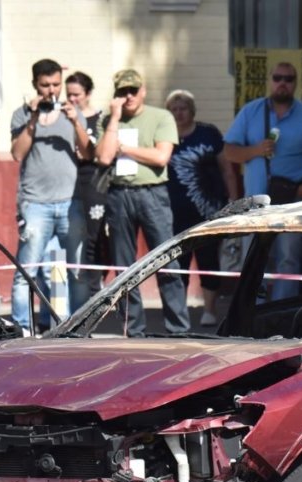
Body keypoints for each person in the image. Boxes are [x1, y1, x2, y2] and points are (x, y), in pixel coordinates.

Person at [223, 62, 302, 300]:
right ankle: (253, 309)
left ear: (295, 83)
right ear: (270, 81)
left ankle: (282, 310)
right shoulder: (251, 112)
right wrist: (256, 150)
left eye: (288, 78)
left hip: (291, 201)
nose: (282, 83)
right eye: (277, 78)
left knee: (288, 258)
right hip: (255, 203)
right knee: (254, 257)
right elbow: (230, 152)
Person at [96, 68, 191, 337]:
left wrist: (124, 148)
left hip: (152, 194)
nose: (128, 96)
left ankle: (178, 330)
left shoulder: (161, 117)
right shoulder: (109, 119)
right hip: (119, 193)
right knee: (124, 266)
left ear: (143, 91)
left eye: (133, 90)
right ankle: (133, 329)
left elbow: (161, 157)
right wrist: (115, 118)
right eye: (123, 91)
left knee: (166, 260)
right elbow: (104, 157)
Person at [9, 59, 92, 331]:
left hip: (70, 203)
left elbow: (87, 153)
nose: (52, 90)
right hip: (35, 204)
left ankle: (77, 328)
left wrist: (75, 121)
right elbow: (17, 153)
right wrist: (33, 119)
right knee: (27, 272)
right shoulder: (22, 114)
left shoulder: (72, 113)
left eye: (56, 84)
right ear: (35, 84)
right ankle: (21, 330)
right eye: (45, 85)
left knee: (76, 271)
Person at [165, 89, 238, 327]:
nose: (179, 113)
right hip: (172, 210)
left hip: (208, 210)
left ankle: (209, 309)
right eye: (174, 109)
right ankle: (179, 312)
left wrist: (233, 199)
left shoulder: (208, 133)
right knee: (178, 262)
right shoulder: (163, 135)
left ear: (192, 110)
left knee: (208, 259)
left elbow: (226, 169)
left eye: (183, 108)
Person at [65, 71, 110, 298]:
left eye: (77, 95)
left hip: (93, 182)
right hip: (67, 183)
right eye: (69, 95)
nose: (72, 99)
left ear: (88, 93)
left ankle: (95, 286)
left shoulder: (100, 119)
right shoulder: (61, 117)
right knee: (73, 237)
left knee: (95, 235)